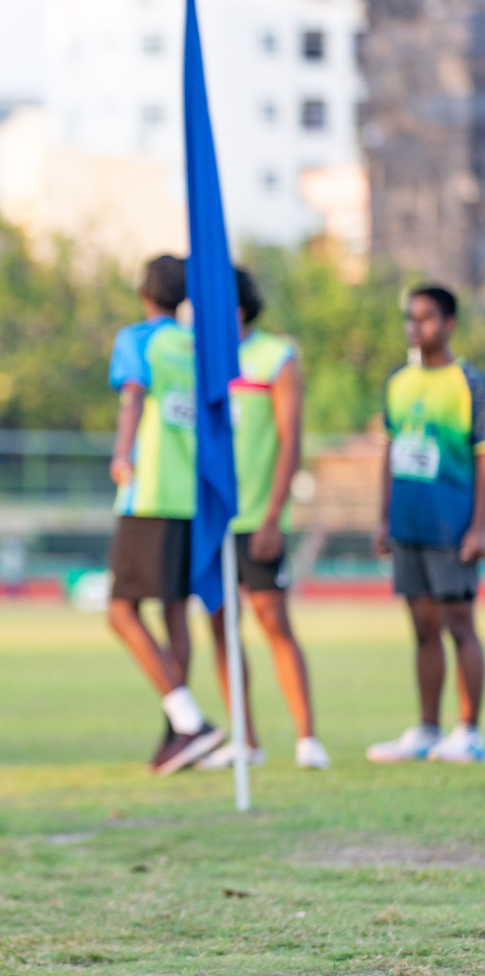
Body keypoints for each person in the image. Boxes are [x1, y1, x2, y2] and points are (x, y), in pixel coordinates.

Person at [198, 268, 328, 770]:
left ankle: (307, 738)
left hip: (259, 515)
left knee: (274, 620)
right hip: (212, 518)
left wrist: (274, 515)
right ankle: (245, 741)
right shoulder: (200, 358)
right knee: (219, 626)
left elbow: (290, 438)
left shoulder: (276, 358)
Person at [106, 254, 225, 776]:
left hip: (149, 491)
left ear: (143, 292)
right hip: (187, 495)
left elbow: (133, 398)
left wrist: (122, 453)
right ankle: (178, 735)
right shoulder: (196, 347)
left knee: (121, 610)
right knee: (174, 610)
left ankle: (188, 722)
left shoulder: (138, 339)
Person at [368, 285, 485, 764]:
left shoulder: (468, 383)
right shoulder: (399, 381)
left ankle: (469, 731)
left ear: (449, 323)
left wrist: (479, 527)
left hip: (452, 525)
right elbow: (389, 452)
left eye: (427, 318)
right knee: (421, 627)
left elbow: (482, 460)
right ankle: (427, 729)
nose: (416, 328)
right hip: (408, 523)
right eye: (410, 319)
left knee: (459, 623)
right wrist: (382, 517)